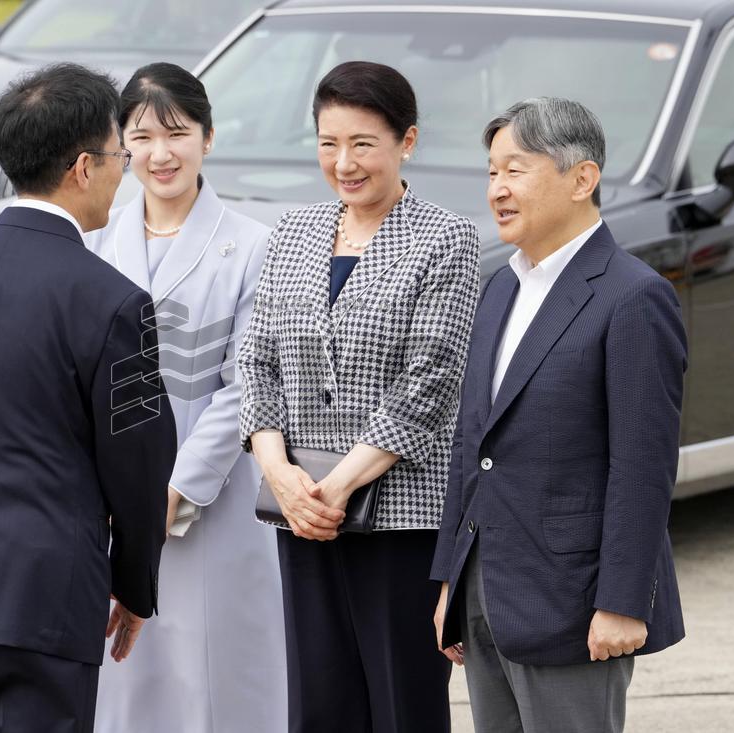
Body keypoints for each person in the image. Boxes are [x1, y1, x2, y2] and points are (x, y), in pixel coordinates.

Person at [0, 63, 178, 732]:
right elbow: (137, 466)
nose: (123, 172)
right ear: (83, 167)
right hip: (40, 599)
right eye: (118, 156)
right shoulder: (113, 303)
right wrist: (135, 585)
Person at [237, 61, 480, 732]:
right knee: (318, 702)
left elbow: (429, 382)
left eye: (363, 144)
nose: (344, 162)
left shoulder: (446, 238)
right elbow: (257, 361)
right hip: (301, 514)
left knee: (402, 703)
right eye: (328, 143)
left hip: (400, 516)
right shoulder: (291, 232)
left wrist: (334, 487)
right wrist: (280, 474)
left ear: (407, 142)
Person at [431, 97, 687, 733]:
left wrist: (624, 603)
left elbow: (642, 463)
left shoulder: (633, 296)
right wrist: (449, 584)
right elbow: (472, 445)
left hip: (576, 603)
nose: (497, 190)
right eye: (491, 173)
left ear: (582, 178)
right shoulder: (502, 286)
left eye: (515, 170)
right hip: (489, 594)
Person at [85, 61, 288, 733]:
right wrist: (120, 499)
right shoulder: (94, 245)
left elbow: (245, 385)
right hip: (108, 502)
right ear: (120, 146)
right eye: (141, 136)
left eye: (177, 132)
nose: (160, 153)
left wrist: (170, 492)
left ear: (208, 135)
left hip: (212, 502)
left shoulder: (255, 246)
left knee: (212, 680)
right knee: (123, 685)